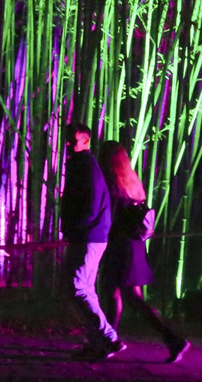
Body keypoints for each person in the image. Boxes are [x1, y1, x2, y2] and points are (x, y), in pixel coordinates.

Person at [98, 141, 191, 364]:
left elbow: (108, 216)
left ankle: (173, 339)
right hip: (134, 246)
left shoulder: (112, 184)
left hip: (120, 245)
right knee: (118, 296)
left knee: (128, 298)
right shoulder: (132, 182)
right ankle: (108, 341)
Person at [61, 123, 122, 358]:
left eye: (73, 140)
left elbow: (91, 205)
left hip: (89, 236)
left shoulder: (86, 166)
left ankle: (109, 338)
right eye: (67, 140)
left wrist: (75, 229)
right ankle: (99, 341)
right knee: (82, 289)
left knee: (78, 289)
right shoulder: (81, 164)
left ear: (86, 141)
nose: (68, 144)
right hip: (89, 235)